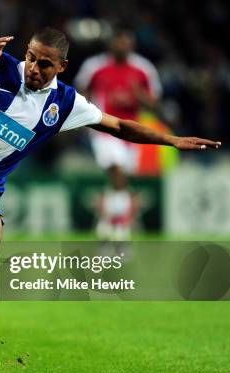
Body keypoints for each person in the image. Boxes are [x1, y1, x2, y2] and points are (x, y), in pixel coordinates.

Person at [0, 28, 221, 368]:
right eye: (31, 58)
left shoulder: (65, 103)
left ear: (62, 67)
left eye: (45, 64)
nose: (33, 68)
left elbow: (119, 126)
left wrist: (173, 140)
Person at [74, 30, 162, 240]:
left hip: (131, 132)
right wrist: (83, 116)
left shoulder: (143, 69)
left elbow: (154, 104)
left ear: (132, 45)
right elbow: (79, 92)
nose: (122, 46)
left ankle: (109, 220)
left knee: (119, 179)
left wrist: (138, 94)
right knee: (117, 169)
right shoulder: (95, 66)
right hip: (103, 129)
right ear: (111, 44)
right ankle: (120, 229)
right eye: (118, 42)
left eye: (126, 42)